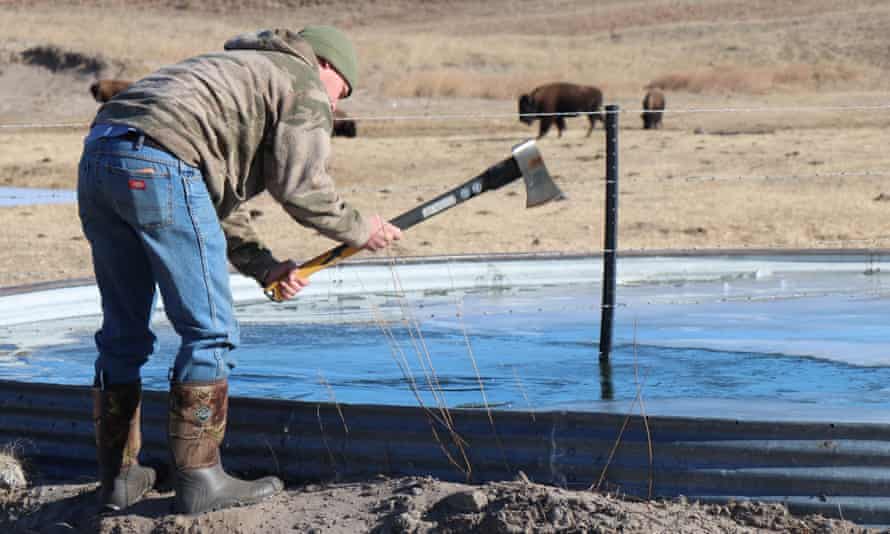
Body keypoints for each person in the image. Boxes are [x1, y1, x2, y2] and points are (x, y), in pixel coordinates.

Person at [77, 26, 401, 514]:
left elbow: (206, 190)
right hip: (161, 165)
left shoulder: (237, 71)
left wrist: (265, 266)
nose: (334, 107)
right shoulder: (301, 80)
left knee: (123, 333)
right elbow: (302, 187)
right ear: (328, 67)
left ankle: (119, 478)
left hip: (101, 156)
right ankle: (200, 480)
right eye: (341, 94)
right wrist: (359, 229)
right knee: (210, 332)